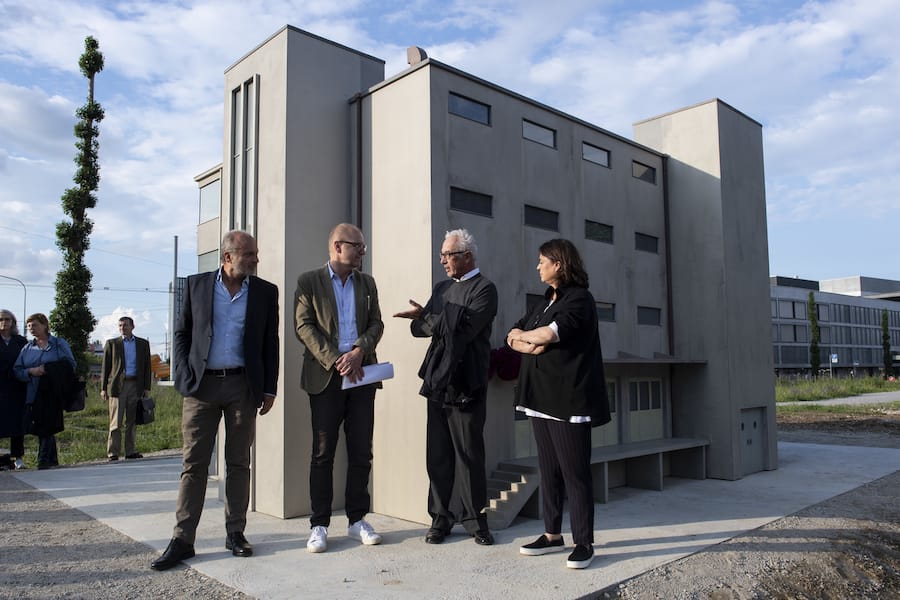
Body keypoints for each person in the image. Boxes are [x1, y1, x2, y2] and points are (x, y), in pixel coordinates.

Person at [151, 230, 279, 571]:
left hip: (242, 388)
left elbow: (270, 343)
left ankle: (235, 533)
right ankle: (183, 540)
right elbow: (181, 333)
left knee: (238, 463)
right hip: (201, 389)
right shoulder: (196, 286)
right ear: (227, 257)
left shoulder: (266, 292)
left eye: (255, 253)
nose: (255, 259)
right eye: (248, 254)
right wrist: (183, 376)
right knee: (193, 465)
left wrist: (269, 388)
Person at [506, 238, 610, 570]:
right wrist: (525, 342)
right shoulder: (545, 300)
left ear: (559, 264)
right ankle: (552, 534)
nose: (538, 266)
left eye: (542, 261)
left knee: (574, 473)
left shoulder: (579, 300)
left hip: (568, 400)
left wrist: (530, 339)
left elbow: (547, 336)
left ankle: (584, 542)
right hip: (539, 398)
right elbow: (513, 333)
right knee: (548, 471)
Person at [394, 229, 497, 546]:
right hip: (438, 381)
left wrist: (430, 317)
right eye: (442, 255)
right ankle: (440, 518)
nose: (442, 261)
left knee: (469, 453)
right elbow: (417, 329)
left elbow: (463, 331)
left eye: (448, 255)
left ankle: (475, 519)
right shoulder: (441, 289)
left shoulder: (485, 289)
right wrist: (436, 318)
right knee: (437, 454)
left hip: (468, 382)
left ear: (467, 256)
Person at [295, 223, 384, 553]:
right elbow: (303, 326)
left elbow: (377, 323)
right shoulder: (309, 282)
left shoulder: (367, 283)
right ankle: (319, 524)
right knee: (323, 453)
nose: (363, 251)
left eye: (363, 246)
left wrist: (359, 351)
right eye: (358, 246)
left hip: (362, 376)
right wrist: (337, 359)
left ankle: (357, 519)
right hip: (326, 377)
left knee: (362, 450)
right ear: (337, 246)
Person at [12, 313, 77, 470]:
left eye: (34, 325)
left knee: (47, 424)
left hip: (52, 391)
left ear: (45, 325)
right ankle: (51, 460)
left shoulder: (58, 344)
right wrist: (31, 372)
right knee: (41, 425)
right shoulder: (27, 347)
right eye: (29, 327)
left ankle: (43, 460)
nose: (31, 329)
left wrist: (49, 369)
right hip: (33, 392)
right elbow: (17, 370)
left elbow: (70, 365)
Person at [100, 316, 152, 462]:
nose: (123, 328)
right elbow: (106, 367)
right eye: (120, 326)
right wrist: (103, 388)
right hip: (118, 387)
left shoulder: (142, 344)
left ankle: (130, 451)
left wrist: (147, 387)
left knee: (132, 420)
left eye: (125, 325)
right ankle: (113, 452)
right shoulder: (112, 344)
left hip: (136, 385)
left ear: (132, 326)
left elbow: (147, 367)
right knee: (115, 421)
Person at [0, 310, 28, 470]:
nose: (4, 322)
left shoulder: (20, 341)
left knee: (17, 424)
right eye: (1, 319)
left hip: (17, 387)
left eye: (7, 319)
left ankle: (18, 457)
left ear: (13, 322)